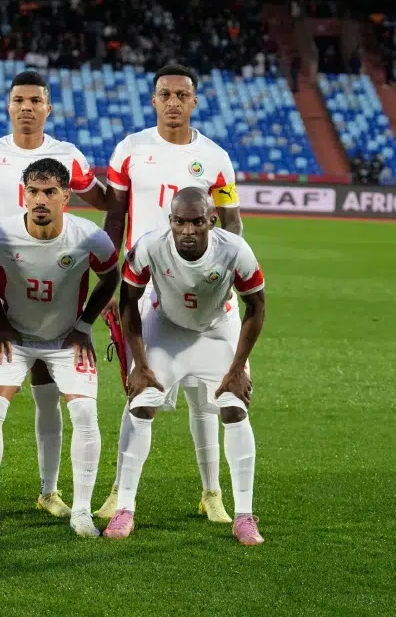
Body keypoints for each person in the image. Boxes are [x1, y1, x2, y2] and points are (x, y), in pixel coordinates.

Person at [0, 69, 108, 519]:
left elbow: (106, 199)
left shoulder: (66, 154)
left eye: (35, 100)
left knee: (48, 390)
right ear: (8, 106)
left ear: (48, 107)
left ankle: (49, 490)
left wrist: (124, 229)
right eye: (18, 100)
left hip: (52, 295)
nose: (26, 107)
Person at [96, 63, 244, 525]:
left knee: (207, 393)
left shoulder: (216, 157)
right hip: (143, 286)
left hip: (202, 287)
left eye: (183, 95)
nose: (174, 102)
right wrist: (108, 285)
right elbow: (115, 220)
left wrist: (226, 281)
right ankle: (121, 491)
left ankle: (212, 492)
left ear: (195, 101)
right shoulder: (131, 150)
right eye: (166, 94)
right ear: (154, 100)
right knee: (140, 387)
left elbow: (233, 223)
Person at [105, 188, 265, 545]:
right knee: (141, 404)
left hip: (216, 332)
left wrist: (237, 368)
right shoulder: (150, 246)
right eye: (180, 221)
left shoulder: (235, 251)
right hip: (167, 329)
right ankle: (124, 509)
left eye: (196, 222)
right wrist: (140, 364)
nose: (187, 230)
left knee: (235, 410)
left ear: (211, 220)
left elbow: (256, 307)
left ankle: (244, 515)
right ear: (171, 221)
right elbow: (128, 302)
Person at [0, 158, 119, 535]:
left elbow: (111, 274)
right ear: (24, 194)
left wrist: (85, 324)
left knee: (85, 415)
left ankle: (81, 511)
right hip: (15, 337)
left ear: (65, 196)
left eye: (49, 192)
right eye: (33, 191)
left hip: (66, 340)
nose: (40, 200)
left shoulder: (89, 237)